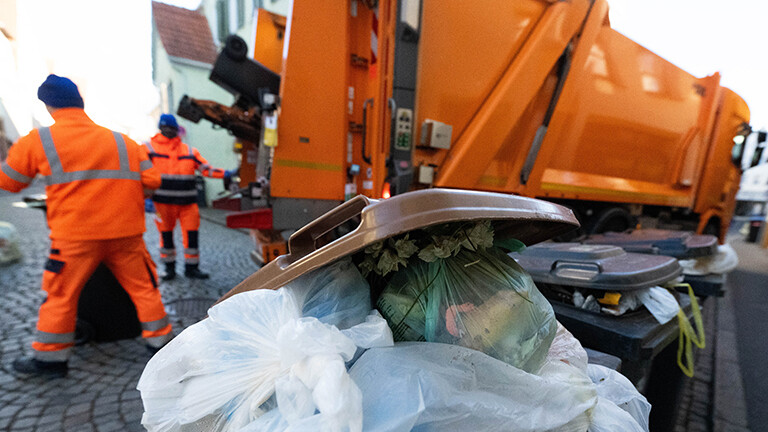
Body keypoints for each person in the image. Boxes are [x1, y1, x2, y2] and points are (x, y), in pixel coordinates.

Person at [0, 74, 173, 378]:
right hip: (125, 233)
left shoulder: (39, 140)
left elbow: (11, 183)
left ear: (48, 105)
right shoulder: (123, 141)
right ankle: (162, 346)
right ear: (80, 102)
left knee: (61, 295)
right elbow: (153, 181)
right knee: (144, 289)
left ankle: (50, 361)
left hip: (75, 238)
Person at [144, 114, 230, 280]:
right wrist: (145, 197)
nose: (169, 130)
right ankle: (169, 269)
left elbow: (206, 169)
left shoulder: (189, 151)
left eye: (172, 127)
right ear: (161, 128)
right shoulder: (149, 149)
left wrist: (227, 174)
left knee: (191, 235)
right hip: (162, 203)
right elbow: (140, 172)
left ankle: (192, 268)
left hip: (187, 204)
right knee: (166, 236)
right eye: (166, 127)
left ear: (176, 129)